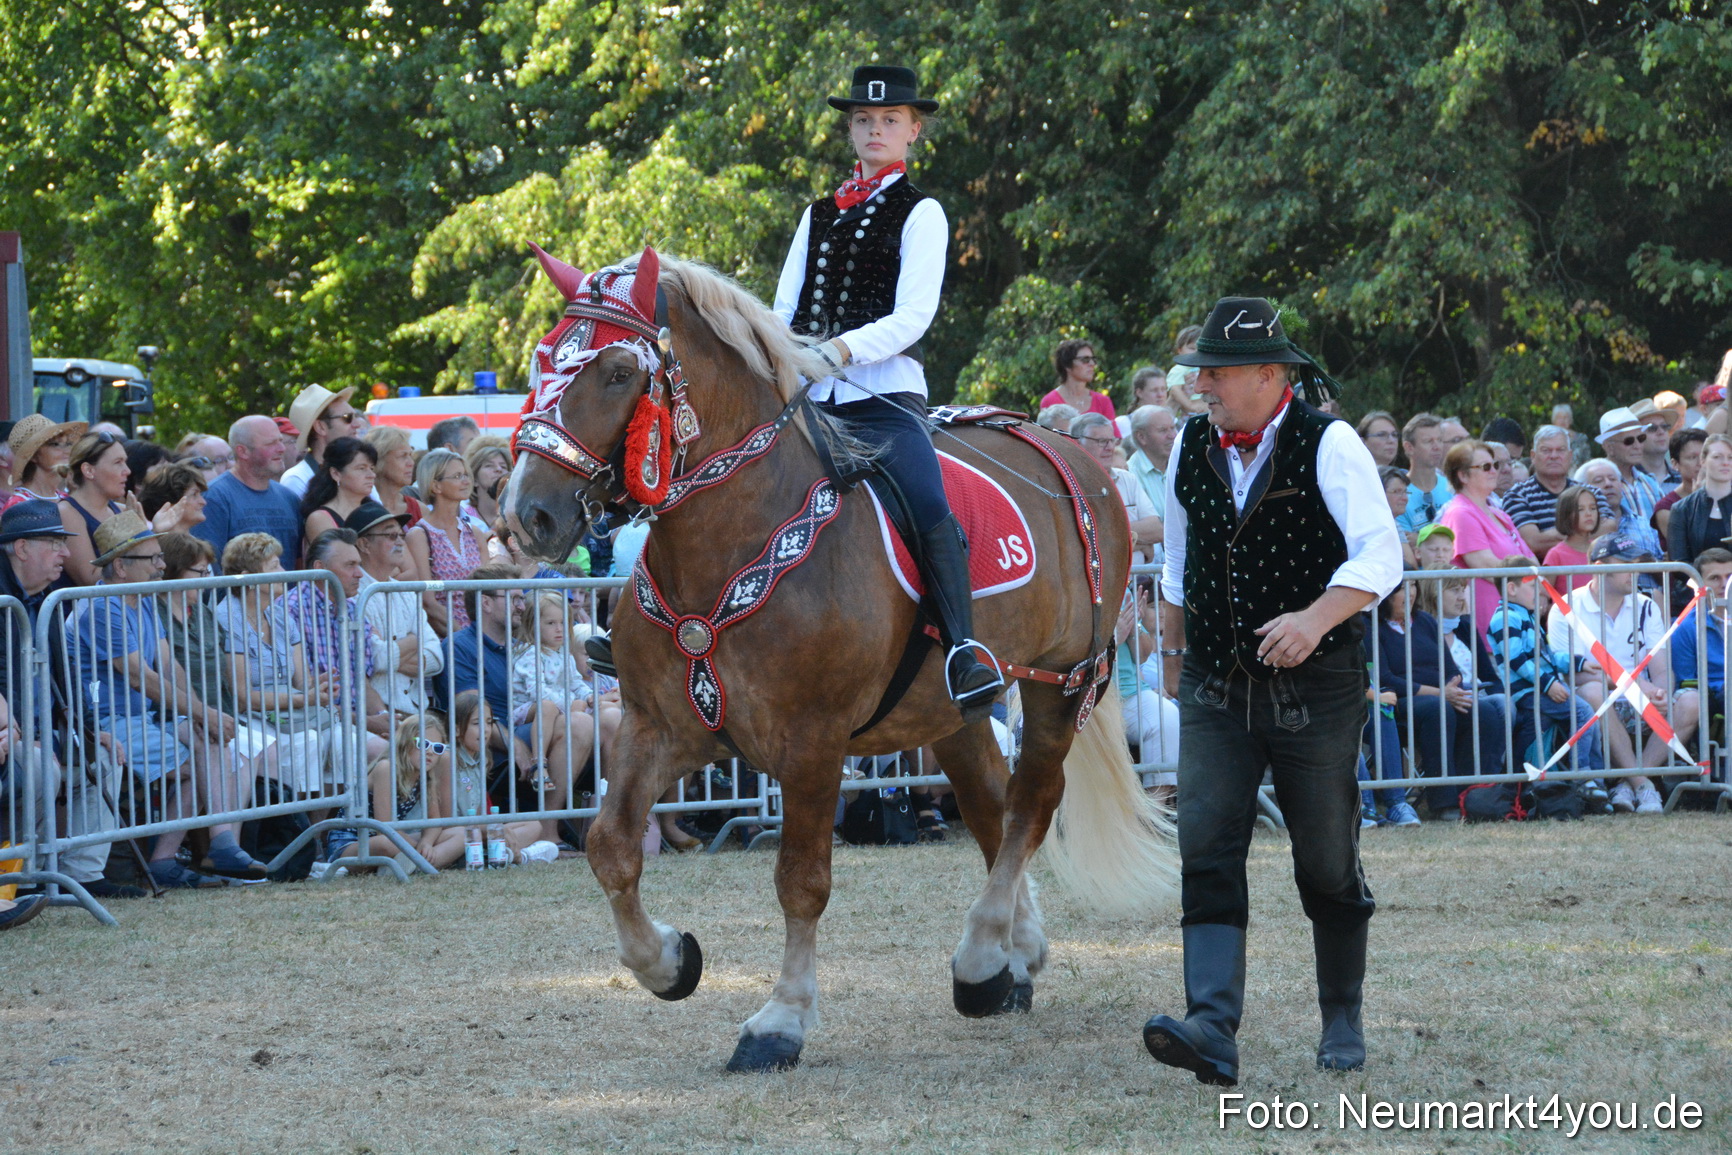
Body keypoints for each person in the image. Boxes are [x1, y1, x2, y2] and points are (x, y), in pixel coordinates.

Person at [1146, 296, 1402, 1085]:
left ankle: (1342, 1014)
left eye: (1216, 373)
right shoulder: (1193, 440)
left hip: (1315, 690)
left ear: (1269, 373)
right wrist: (1174, 648)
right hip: (1218, 687)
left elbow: (1381, 553)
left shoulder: (1331, 443)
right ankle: (1213, 1027)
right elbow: (1180, 561)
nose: (1203, 386)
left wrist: (1317, 616)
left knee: (1325, 859)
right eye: (1198, 373)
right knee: (1207, 848)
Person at [769, 65, 1000, 711]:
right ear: (850, 129)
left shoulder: (923, 211)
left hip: (885, 397)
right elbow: (783, 308)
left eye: (890, 120)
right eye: (865, 120)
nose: (876, 129)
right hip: (807, 400)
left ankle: (962, 650)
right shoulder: (815, 214)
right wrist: (782, 358)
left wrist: (839, 349)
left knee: (929, 504)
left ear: (913, 130)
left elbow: (913, 315)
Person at [77, 511, 255, 888]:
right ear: (121, 567)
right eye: (153, 559)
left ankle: (187, 853)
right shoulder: (102, 605)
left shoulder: (140, 600)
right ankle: (195, 850)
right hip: (104, 724)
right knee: (205, 763)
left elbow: (170, 666)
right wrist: (203, 711)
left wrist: (202, 715)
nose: (162, 566)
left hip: (142, 720)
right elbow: (142, 677)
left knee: (210, 744)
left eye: (161, 557)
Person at [0, 501, 142, 900]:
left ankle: (81, 875)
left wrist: (91, 730)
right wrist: (28, 734)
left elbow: (69, 679)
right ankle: (22, 882)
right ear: (23, 548)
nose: (66, 553)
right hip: (12, 737)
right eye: (55, 544)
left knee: (104, 759)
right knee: (42, 768)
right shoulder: (3, 600)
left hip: (45, 733)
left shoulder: (49, 599)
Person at [1547, 536, 1691, 814]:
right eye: (1626, 564)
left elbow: (1662, 669)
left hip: (1639, 699)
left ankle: (1629, 783)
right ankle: (1643, 784)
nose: (1634, 571)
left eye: (1637, 564)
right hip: (1596, 701)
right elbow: (1572, 675)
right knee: (1592, 692)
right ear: (1599, 566)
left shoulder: (1646, 605)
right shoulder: (1564, 608)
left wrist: (1659, 692)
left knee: (1691, 702)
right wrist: (1639, 685)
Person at [450, 562, 585, 843]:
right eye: (514, 599)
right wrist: (514, 743)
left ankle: (604, 825)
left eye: (522, 598)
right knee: (580, 724)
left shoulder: (525, 644)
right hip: (497, 747)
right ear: (486, 603)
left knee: (608, 717)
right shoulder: (461, 647)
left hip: (538, 730)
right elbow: (469, 716)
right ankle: (548, 830)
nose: (522, 606)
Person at [1373, 582, 1506, 820]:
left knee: (1484, 712)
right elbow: (1385, 678)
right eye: (1402, 589)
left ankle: (1477, 797)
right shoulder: (1372, 626)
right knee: (1438, 709)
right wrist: (1438, 693)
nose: (1411, 593)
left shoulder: (1424, 621)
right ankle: (1444, 802)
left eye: (1413, 586)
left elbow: (1452, 670)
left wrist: (1452, 690)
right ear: (1385, 595)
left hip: (1444, 696)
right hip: (1400, 701)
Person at [348, 500, 439, 718]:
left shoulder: (406, 591)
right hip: (376, 715)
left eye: (401, 535)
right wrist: (413, 641)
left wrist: (391, 653)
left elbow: (436, 658)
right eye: (390, 536)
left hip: (418, 713)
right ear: (364, 544)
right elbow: (374, 660)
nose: (400, 542)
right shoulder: (352, 593)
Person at [1437, 439, 1536, 636]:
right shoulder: (1460, 513)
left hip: (1516, 623)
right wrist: (1531, 583)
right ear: (1463, 475)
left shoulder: (1499, 513)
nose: (1494, 471)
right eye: (1486, 467)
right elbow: (1487, 566)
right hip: (1488, 624)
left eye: (1495, 465)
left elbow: (1531, 560)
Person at [195, 414, 303, 572]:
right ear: (243, 451)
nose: (282, 449)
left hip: (289, 597)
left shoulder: (289, 498)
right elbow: (209, 565)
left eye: (280, 440)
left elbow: (299, 561)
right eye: (271, 443)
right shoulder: (214, 498)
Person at [405, 448, 486, 635]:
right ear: (436, 486)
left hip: (482, 633)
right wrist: (465, 641)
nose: (466, 481)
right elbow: (428, 602)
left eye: (466, 475)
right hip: (445, 638)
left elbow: (488, 591)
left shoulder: (475, 533)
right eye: (457, 476)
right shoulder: (419, 535)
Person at [1505, 425, 1617, 556]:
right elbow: (1532, 543)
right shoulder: (1517, 495)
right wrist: (1583, 531)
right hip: (1544, 575)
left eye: (1560, 450)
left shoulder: (1592, 492)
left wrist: (1553, 534)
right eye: (1546, 450)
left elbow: (1609, 529)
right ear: (1533, 456)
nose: (1554, 456)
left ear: (1570, 456)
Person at [1072, 413, 1162, 565]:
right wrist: (1138, 543)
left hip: (1138, 583)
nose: (1110, 447)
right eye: (1101, 441)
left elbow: (1157, 530)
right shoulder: (1068, 484)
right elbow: (1080, 541)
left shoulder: (1127, 479)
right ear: (1077, 443)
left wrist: (1107, 536)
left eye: (1112, 440)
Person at [57, 430, 131, 585]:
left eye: (125, 462)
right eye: (118, 462)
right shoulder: (67, 513)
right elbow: (90, 579)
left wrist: (158, 530)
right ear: (89, 470)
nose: (127, 471)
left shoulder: (122, 510)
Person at [1596, 407, 1665, 559]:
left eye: (1641, 438)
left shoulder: (1651, 483)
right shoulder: (1594, 486)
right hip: (1617, 573)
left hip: (1656, 574)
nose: (1637, 445)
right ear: (1609, 447)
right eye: (1629, 441)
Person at [280, 384, 361, 498]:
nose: (357, 424)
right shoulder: (297, 479)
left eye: (356, 416)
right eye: (347, 417)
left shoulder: (360, 474)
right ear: (320, 427)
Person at [298, 436, 378, 553]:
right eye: (361, 468)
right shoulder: (320, 519)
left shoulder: (377, 511)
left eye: (372, 468)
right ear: (336, 473)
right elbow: (341, 563)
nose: (372, 475)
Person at [1666, 434, 1732, 568]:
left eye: (1730, 457)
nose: (1726, 462)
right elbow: (1679, 564)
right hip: (1697, 586)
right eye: (1717, 457)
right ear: (1702, 461)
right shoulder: (1682, 509)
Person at [9, 414, 84, 502]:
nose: (67, 451)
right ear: (33, 455)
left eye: (67, 444)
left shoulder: (66, 499)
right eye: (56, 444)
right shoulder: (19, 505)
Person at [1397, 413, 1451, 533]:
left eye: (1440, 440)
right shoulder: (1398, 494)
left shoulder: (1453, 488)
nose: (1437, 447)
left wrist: (1416, 539)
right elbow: (1405, 542)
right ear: (1409, 447)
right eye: (1428, 441)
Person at [1541, 485, 1602, 591]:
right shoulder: (1556, 555)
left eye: (1593, 508)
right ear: (1566, 515)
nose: (1588, 514)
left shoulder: (1601, 549)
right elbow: (1544, 595)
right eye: (1580, 509)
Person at [1039, 339, 1116, 422]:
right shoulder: (1050, 401)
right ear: (1067, 365)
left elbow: (1113, 434)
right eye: (1085, 360)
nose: (1092, 364)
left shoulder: (1103, 402)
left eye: (1093, 359)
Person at [1126, 404, 1177, 527]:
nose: (1172, 436)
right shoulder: (1130, 475)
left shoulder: (1181, 466)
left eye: (1173, 428)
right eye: (1163, 430)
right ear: (1141, 437)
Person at [1653, 428, 1707, 543]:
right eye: (1692, 457)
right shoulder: (1666, 508)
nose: (1701, 463)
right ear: (1675, 464)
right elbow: (1689, 546)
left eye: (1705, 456)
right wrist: (1699, 500)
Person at [365, 424, 421, 525]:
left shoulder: (420, 510)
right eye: (403, 456)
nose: (411, 463)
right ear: (379, 459)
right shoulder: (360, 508)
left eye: (410, 455)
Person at [137, 461, 209, 536]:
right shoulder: (157, 546)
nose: (203, 502)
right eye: (194, 494)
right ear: (169, 502)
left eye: (200, 494)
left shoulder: (195, 545)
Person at [463, 435, 511, 533]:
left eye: (503, 466)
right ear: (474, 479)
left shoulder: (515, 516)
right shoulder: (463, 516)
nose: (498, 469)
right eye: (489, 466)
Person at [1629, 399, 1678, 485]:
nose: (1661, 432)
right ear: (1634, 437)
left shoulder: (1683, 480)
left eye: (1664, 426)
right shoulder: (1625, 482)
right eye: (1652, 428)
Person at [1377, 466, 1418, 569]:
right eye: (1397, 492)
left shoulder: (1393, 523)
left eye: (1405, 492)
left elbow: (1412, 565)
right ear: (1379, 493)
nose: (1404, 498)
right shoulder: (1379, 525)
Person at [1116, 367, 1171, 436]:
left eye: (1163, 389)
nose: (1160, 395)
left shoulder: (1172, 424)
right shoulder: (1123, 424)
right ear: (1139, 393)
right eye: (1154, 390)